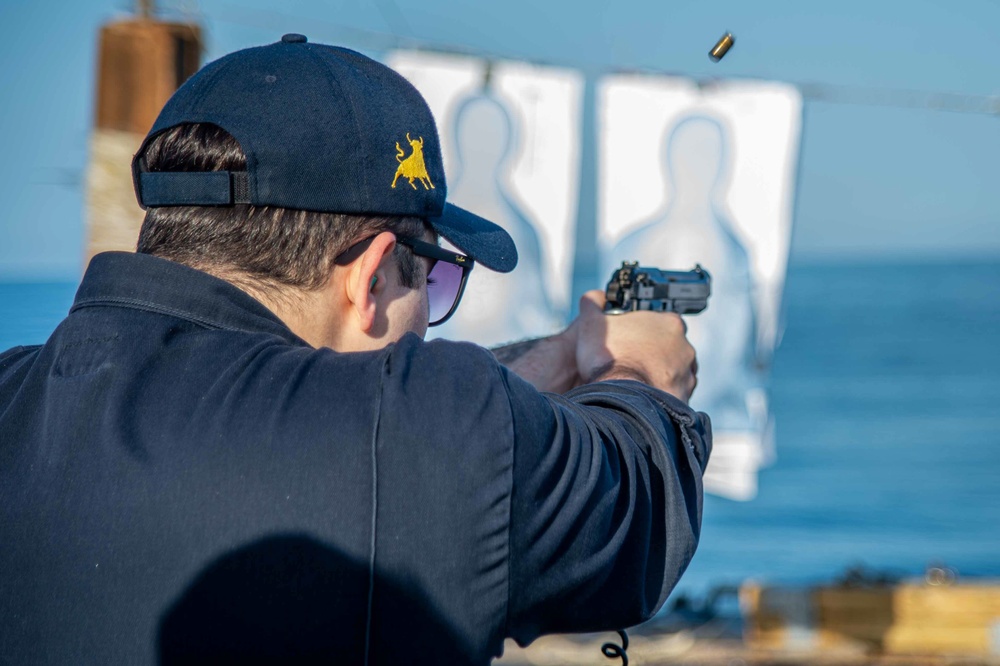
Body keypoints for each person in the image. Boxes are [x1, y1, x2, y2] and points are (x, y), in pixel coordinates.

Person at [0, 35, 710, 665]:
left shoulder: (13, 397)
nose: (430, 323)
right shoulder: (418, 434)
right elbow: (635, 499)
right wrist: (641, 368)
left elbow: (359, 413)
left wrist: (556, 360)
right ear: (370, 276)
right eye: (430, 279)